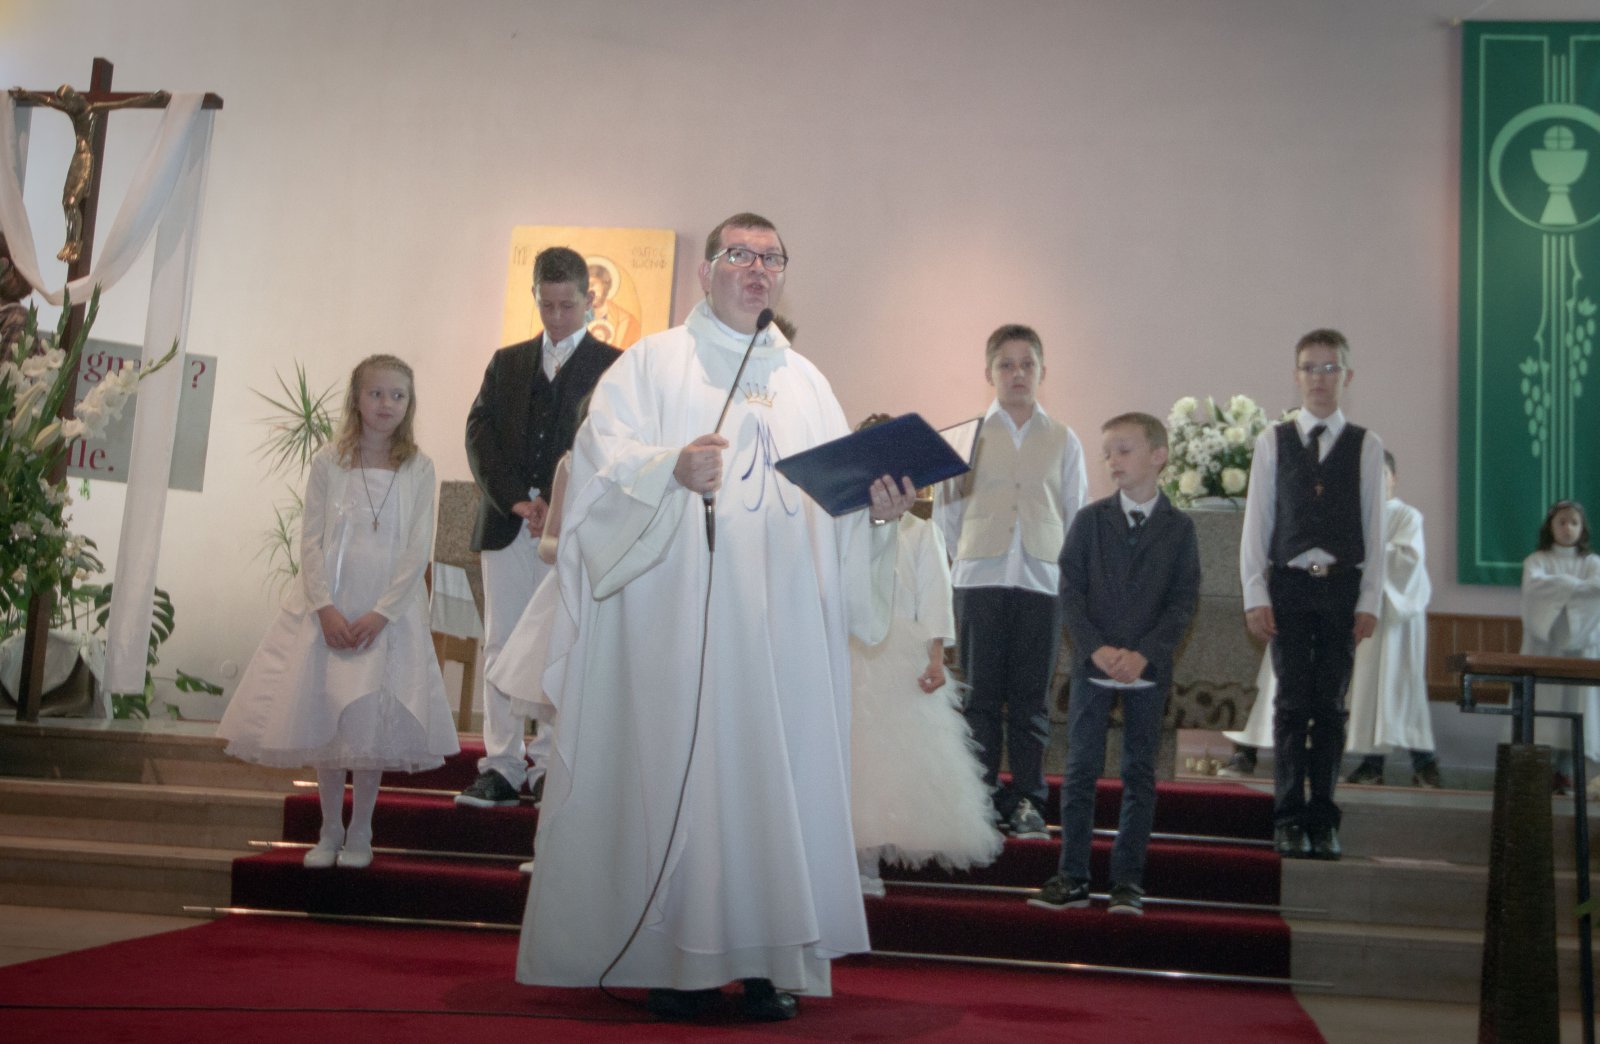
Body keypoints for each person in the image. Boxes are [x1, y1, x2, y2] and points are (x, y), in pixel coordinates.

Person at [515, 212, 915, 1022]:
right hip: (681, 627)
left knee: (777, 784)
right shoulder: (652, 364)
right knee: (689, 779)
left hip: (784, 634)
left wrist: (876, 514)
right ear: (705, 272)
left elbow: (835, 509)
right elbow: (598, 464)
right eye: (740, 254)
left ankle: (769, 961)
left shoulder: (808, 382)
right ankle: (677, 962)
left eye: (772, 257)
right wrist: (670, 469)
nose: (758, 268)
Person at [218, 355, 458, 868]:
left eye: (397, 395)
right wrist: (324, 607)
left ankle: (362, 831)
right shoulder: (330, 461)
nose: (386, 404)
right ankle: (328, 830)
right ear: (356, 399)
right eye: (376, 393)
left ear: (409, 404)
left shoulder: (419, 466)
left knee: (369, 723)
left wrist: (382, 613)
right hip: (331, 606)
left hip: (387, 613)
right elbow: (310, 540)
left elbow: (418, 547)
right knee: (328, 715)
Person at [460, 247, 619, 809]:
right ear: (534, 297)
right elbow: (479, 435)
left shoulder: (615, 366)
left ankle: (551, 764)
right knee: (502, 641)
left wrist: (561, 502)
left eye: (567, 306)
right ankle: (502, 764)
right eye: (546, 305)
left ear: (589, 300)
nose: (555, 317)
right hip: (509, 523)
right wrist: (518, 500)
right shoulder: (506, 363)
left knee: (560, 642)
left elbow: (616, 446)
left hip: (572, 530)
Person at [1031, 412, 1200, 916]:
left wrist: (1145, 652)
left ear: (1158, 456)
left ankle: (1127, 880)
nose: (1113, 461)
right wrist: (1095, 649)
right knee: (1080, 769)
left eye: (1124, 450)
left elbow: (1182, 602)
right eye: (1107, 453)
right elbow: (1071, 591)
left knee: (1138, 773)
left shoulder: (1179, 528)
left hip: (1147, 668)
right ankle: (1073, 875)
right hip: (1094, 664)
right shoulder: (1090, 520)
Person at [935, 325, 1087, 839]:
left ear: (1042, 372)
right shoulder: (966, 436)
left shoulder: (1064, 439)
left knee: (1030, 700)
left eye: (1027, 364)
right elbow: (946, 515)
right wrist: (962, 561)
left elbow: (1075, 513)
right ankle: (978, 799)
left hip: (1042, 581)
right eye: (1007, 364)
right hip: (979, 579)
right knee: (979, 697)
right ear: (989, 372)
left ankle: (1027, 799)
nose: (1017, 373)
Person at [1241, 328, 1385, 862]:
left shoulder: (1366, 445)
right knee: (1290, 703)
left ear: (1347, 376)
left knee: (1329, 706)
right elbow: (1258, 522)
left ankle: (1323, 818)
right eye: (1310, 367)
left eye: (1330, 368)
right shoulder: (1272, 441)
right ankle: (1287, 817)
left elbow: (1375, 527)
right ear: (1296, 375)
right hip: (1290, 585)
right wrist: (1255, 592)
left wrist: (1369, 599)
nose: (1320, 378)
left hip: (1342, 587)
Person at [849, 414, 1003, 899]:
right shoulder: (845, 528)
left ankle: (870, 858)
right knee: (851, 758)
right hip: (848, 650)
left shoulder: (920, 531)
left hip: (899, 652)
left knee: (887, 759)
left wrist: (936, 657)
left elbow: (936, 596)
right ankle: (847, 854)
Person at [1223, 451, 1440, 787]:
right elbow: (1312, 560)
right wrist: (1316, 569)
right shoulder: (1340, 514)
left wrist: (1354, 557)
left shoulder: (1404, 516)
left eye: (1381, 475)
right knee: (1284, 679)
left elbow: (1406, 561)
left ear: (1394, 478)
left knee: (1369, 691)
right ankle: (1248, 751)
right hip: (1322, 607)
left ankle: (1383, 764)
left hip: (1381, 617)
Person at [1520, 500, 1600, 796]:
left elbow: (1596, 591)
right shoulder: (1536, 561)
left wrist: (1560, 587)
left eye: (1574, 523)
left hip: (1582, 650)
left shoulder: (1592, 563)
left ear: (1583, 528)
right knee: (1545, 710)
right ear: (1550, 527)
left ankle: (1566, 772)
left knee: (1575, 709)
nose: (1568, 528)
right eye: (1562, 522)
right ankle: (1542, 773)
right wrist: (1574, 587)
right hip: (1545, 647)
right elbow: (1535, 591)